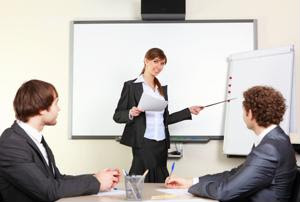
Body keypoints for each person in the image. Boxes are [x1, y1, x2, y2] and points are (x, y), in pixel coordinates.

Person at [165, 86, 297, 202]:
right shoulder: (277, 138)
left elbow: (224, 192)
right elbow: (235, 174)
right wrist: (191, 181)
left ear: (250, 113)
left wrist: (192, 188)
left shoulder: (269, 149)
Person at [0, 79, 121, 202]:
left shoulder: (33, 138)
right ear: (41, 109)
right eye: (56, 103)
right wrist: (97, 183)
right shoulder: (11, 144)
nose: (59, 109)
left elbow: (57, 179)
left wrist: (96, 177)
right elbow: (48, 190)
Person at [113, 48, 203, 183]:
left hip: (161, 142)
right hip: (143, 142)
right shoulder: (131, 86)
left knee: (160, 181)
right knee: (140, 179)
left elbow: (165, 119)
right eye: (156, 61)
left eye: (162, 63)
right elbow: (117, 116)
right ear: (146, 61)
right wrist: (131, 112)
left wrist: (188, 111)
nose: (159, 67)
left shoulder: (161, 89)